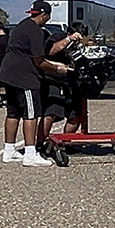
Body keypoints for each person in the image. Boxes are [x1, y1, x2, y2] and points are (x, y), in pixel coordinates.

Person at [0, 0, 69, 167]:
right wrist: (57, 68)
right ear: (45, 15)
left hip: (9, 74)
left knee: (12, 113)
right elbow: (39, 60)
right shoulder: (36, 31)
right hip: (25, 77)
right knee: (31, 114)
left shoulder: (22, 26)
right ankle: (30, 153)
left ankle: (8, 151)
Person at [37, 23, 85, 151]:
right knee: (51, 113)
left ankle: (66, 142)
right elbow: (51, 51)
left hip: (72, 82)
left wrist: (87, 44)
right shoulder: (57, 38)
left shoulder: (81, 45)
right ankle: (40, 144)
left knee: (75, 116)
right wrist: (69, 39)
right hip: (53, 80)